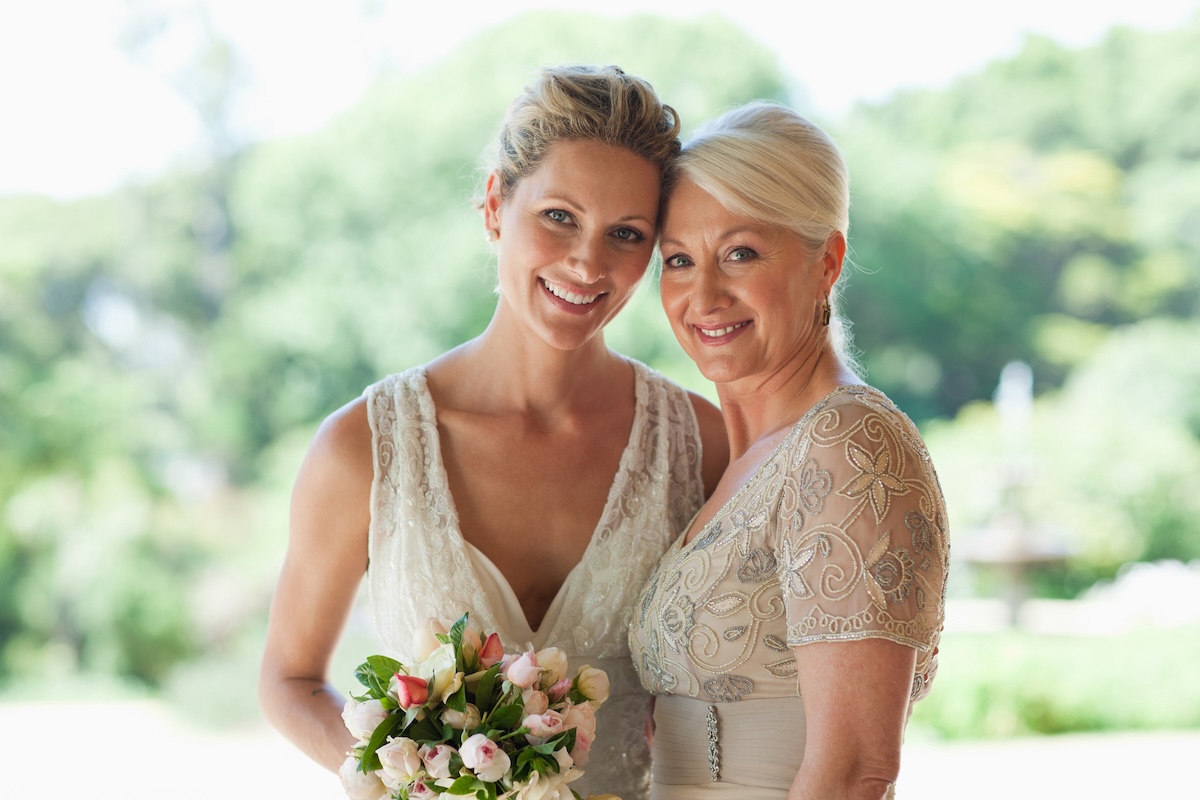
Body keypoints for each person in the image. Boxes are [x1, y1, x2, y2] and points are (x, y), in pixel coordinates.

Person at [258, 65, 728, 800]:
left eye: (626, 234)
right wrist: (413, 782)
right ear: (493, 206)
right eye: (559, 216)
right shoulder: (365, 448)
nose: (587, 262)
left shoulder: (699, 445)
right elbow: (288, 680)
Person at [628, 101, 949, 800]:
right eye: (679, 260)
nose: (703, 294)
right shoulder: (738, 464)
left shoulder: (848, 443)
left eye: (740, 253)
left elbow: (856, 771)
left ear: (826, 260)